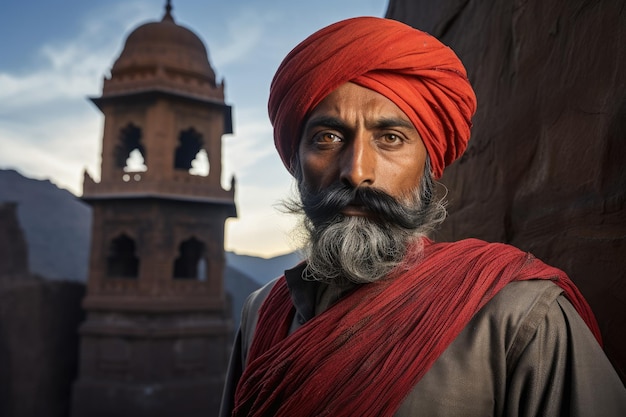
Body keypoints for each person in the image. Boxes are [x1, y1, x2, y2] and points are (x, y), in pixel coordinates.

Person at [219, 16, 626, 417]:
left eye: (390, 138)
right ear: (297, 161)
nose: (357, 171)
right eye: (328, 137)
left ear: (428, 166)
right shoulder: (263, 312)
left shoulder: (519, 321)